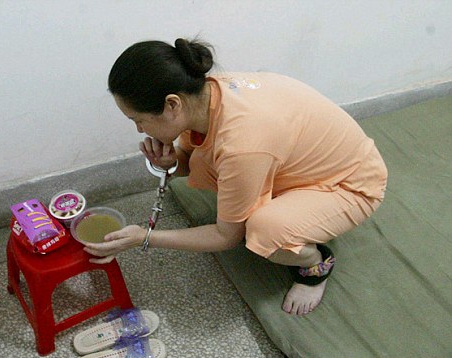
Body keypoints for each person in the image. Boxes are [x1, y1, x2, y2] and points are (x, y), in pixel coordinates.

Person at [83, 38, 388, 316]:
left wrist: (145, 238)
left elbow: (226, 236)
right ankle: (287, 210)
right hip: (294, 164)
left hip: (351, 184)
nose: (139, 130)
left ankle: (314, 264)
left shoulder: (243, 143)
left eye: (139, 120)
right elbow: (202, 156)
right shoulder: (205, 94)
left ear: (172, 104)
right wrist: (173, 162)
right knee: (242, 193)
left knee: (265, 232)